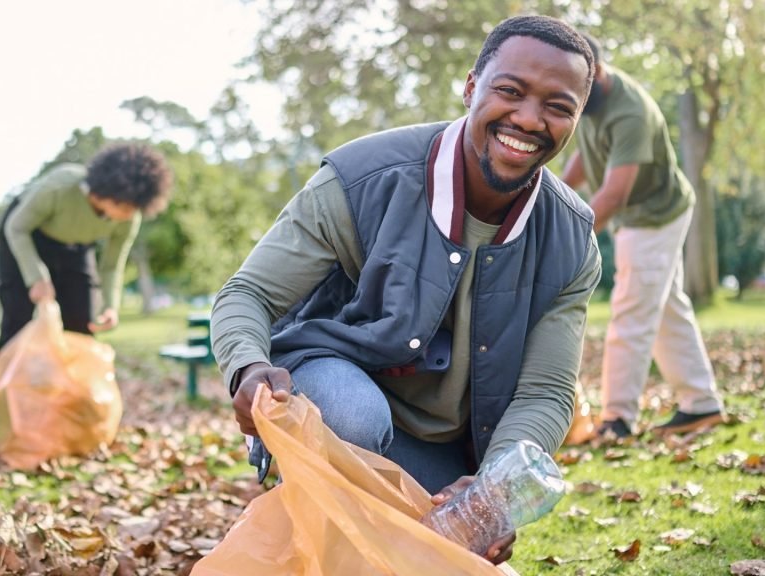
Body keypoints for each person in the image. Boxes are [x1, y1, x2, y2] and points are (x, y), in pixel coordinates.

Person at [211, 15, 601, 564]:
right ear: (471, 87)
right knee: (351, 415)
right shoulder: (361, 179)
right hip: (331, 392)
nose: (529, 119)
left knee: (444, 550)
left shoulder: (571, 239)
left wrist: (495, 491)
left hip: (442, 445)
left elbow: (545, 392)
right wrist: (249, 369)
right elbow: (247, 293)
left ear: (576, 119)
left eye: (558, 107)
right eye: (510, 92)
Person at [560, 34, 725, 441]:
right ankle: (701, 403)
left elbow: (614, 193)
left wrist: (564, 233)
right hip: (640, 215)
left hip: (654, 216)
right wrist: (554, 194)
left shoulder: (629, 111)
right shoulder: (587, 98)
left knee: (631, 310)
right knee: (667, 309)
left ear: (596, 73)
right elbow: (585, 153)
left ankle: (617, 419)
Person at [0, 143, 173, 447]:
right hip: (24, 237)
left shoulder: (128, 217)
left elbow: (111, 266)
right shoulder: (60, 187)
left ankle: (72, 423)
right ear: (105, 191)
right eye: (125, 206)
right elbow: (16, 228)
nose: (128, 215)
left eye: (134, 209)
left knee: (82, 326)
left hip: (74, 248)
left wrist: (111, 305)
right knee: (16, 326)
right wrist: (36, 277)